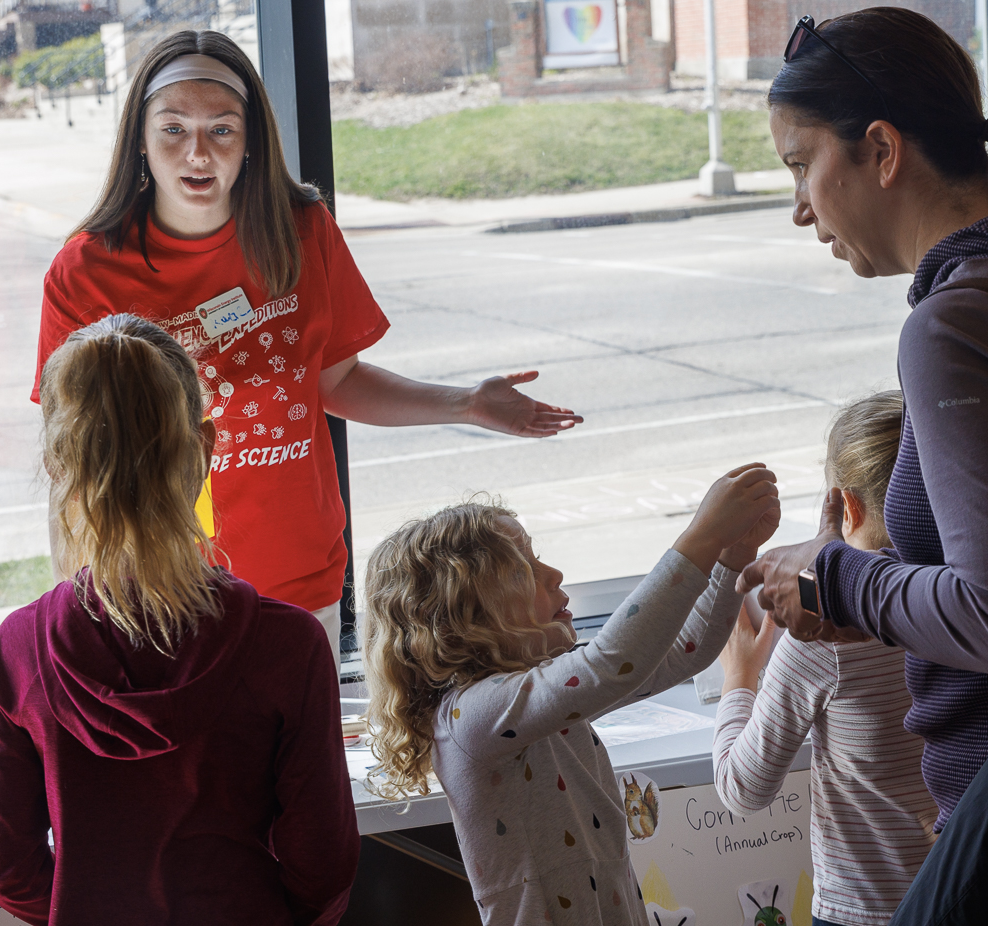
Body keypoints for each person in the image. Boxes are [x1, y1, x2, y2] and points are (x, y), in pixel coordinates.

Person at [31, 30, 581, 665]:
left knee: (293, 761)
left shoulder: (301, 230)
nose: (199, 152)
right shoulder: (86, 272)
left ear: (251, 140)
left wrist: (467, 404)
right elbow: (70, 460)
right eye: (174, 129)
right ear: (140, 141)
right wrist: (80, 604)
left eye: (222, 129)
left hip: (296, 578)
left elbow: (335, 380)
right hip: (155, 594)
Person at [0, 315, 358, 926]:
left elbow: (8, 870)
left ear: (56, 462)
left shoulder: (20, 649)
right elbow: (325, 862)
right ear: (205, 448)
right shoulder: (287, 646)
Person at [734, 9, 988, 923]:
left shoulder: (952, 323)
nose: (801, 205)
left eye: (803, 165)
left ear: (881, 150)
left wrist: (839, 582)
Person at [359, 463, 779, 926]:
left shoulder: (540, 695)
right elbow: (611, 663)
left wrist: (730, 556)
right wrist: (701, 537)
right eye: (525, 568)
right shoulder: (471, 716)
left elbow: (687, 651)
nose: (554, 574)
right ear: (465, 611)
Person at [714, 392, 935, 926]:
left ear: (847, 507)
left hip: (865, 909)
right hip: (961, 892)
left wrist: (741, 678)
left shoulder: (824, 634)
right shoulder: (953, 598)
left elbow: (744, 788)